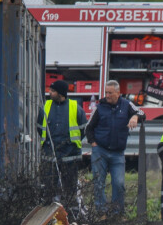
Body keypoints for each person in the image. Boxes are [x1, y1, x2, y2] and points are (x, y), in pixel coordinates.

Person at [84, 79, 144, 214]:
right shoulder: (99, 108)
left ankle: (117, 214)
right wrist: (93, 144)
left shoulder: (127, 105)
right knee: (98, 183)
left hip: (118, 153)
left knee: (119, 184)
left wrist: (135, 117)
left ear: (118, 93)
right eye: (106, 92)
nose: (107, 95)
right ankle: (100, 212)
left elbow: (142, 113)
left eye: (110, 93)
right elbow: (88, 128)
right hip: (100, 151)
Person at [38, 79, 89, 208]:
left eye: (53, 90)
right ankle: (48, 216)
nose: (49, 92)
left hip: (70, 155)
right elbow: (39, 128)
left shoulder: (75, 108)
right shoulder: (46, 107)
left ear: (61, 93)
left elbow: (84, 129)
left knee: (70, 188)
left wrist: (70, 144)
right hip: (50, 155)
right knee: (48, 187)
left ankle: (71, 216)